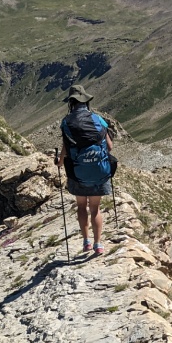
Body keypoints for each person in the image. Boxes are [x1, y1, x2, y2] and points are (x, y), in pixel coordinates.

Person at [56, 84, 114, 254]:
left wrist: (59, 162)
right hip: (99, 171)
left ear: (71, 102)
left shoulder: (66, 122)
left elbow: (66, 147)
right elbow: (109, 147)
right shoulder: (98, 119)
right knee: (95, 208)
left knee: (82, 207)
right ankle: (98, 245)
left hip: (77, 172)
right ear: (85, 101)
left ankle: (86, 242)